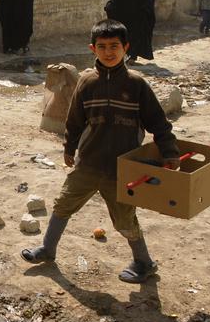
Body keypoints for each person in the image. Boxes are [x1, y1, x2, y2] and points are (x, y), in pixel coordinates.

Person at [20, 19, 179, 284]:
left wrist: (170, 152)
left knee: (124, 219)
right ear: (92, 48)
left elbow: (159, 124)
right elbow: (74, 121)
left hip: (123, 168)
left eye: (114, 46)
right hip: (89, 163)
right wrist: (69, 148)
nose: (108, 52)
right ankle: (48, 249)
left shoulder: (137, 85)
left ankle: (144, 262)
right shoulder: (86, 83)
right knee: (63, 204)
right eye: (102, 46)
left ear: (126, 47)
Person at [104, 0, 156, 64]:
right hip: (125, 19)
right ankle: (129, 56)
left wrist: (144, 8)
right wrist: (109, 6)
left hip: (137, 19)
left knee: (136, 37)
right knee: (125, 37)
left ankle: (133, 57)